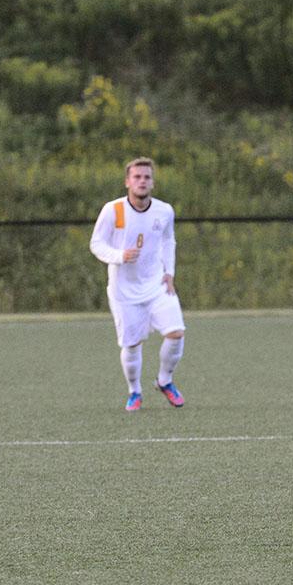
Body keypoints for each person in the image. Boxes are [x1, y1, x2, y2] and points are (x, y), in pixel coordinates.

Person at [90, 157, 186, 412]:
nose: (142, 181)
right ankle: (135, 391)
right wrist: (119, 256)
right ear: (127, 182)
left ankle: (165, 380)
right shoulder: (113, 210)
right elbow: (96, 244)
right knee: (131, 345)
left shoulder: (164, 210)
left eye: (146, 177)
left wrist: (170, 272)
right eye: (137, 177)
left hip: (157, 285)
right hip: (123, 291)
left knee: (176, 333)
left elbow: (168, 241)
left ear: (152, 183)